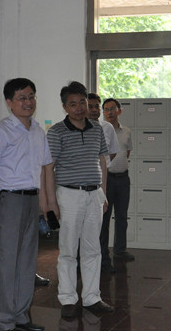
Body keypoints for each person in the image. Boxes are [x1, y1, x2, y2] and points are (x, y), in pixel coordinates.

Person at [0, 78, 53, 331]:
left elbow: (44, 168)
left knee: (27, 262)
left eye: (31, 96)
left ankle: (21, 316)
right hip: (8, 201)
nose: (28, 102)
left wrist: (45, 203)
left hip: (31, 199)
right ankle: (4, 321)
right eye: (22, 98)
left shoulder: (37, 131)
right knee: (6, 262)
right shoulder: (0, 131)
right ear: (9, 102)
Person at [45, 81, 115, 318]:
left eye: (82, 102)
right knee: (68, 250)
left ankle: (92, 297)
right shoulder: (56, 131)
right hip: (69, 195)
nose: (79, 108)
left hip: (94, 194)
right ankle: (67, 298)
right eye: (73, 104)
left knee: (93, 249)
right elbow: (49, 168)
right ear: (65, 107)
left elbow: (102, 161)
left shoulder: (97, 128)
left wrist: (103, 193)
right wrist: (51, 202)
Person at [100, 97, 134, 271]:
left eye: (112, 109)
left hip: (123, 179)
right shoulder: (101, 130)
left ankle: (120, 250)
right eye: (106, 109)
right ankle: (103, 253)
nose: (109, 112)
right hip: (108, 179)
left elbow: (127, 153)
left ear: (119, 111)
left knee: (122, 216)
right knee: (105, 218)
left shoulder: (126, 131)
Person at [87, 92, 119, 162]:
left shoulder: (108, 127)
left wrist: (104, 164)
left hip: (103, 168)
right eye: (90, 107)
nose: (94, 110)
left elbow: (113, 151)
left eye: (97, 106)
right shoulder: (78, 128)